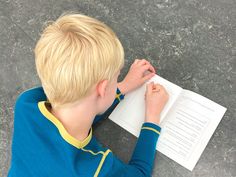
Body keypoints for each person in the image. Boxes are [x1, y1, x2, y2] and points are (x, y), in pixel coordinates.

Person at [8, 13, 169, 177]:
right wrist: (152, 116)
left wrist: (123, 86)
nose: (118, 81)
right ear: (103, 88)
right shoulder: (95, 169)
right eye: (116, 77)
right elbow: (140, 173)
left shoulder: (27, 104)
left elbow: (78, 105)